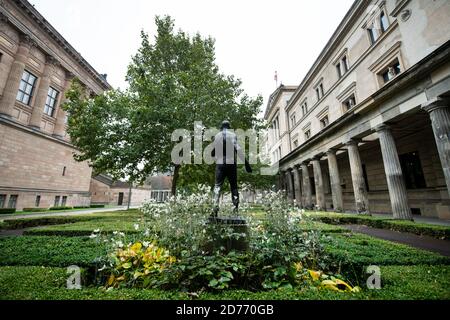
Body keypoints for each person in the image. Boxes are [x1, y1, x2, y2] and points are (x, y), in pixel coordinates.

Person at [212, 120, 252, 217]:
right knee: (234, 187)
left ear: (221, 127)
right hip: (231, 163)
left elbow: (212, 153)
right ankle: (235, 211)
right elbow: (237, 149)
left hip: (220, 163)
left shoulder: (217, 136)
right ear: (229, 127)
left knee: (217, 186)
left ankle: (214, 210)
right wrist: (246, 164)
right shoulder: (232, 135)